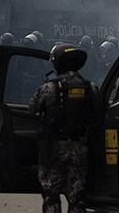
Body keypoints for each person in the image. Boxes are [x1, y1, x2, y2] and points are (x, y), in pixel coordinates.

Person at [30, 44, 97, 213]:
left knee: (51, 195)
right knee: (77, 197)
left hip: (53, 150)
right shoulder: (91, 88)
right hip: (80, 148)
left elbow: (33, 109)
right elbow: (99, 114)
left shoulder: (49, 88)